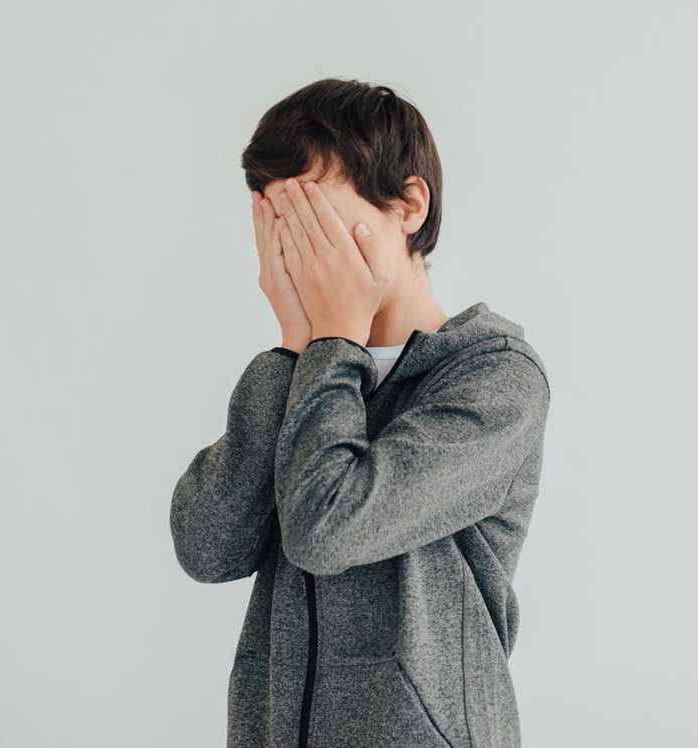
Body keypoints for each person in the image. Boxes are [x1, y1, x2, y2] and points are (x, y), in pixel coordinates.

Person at [170, 78, 551, 748]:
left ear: (408, 206)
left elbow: (328, 530)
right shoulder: (309, 371)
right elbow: (208, 547)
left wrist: (332, 339)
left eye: (317, 219)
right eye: (279, 226)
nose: (300, 251)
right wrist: (295, 348)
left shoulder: (496, 379)